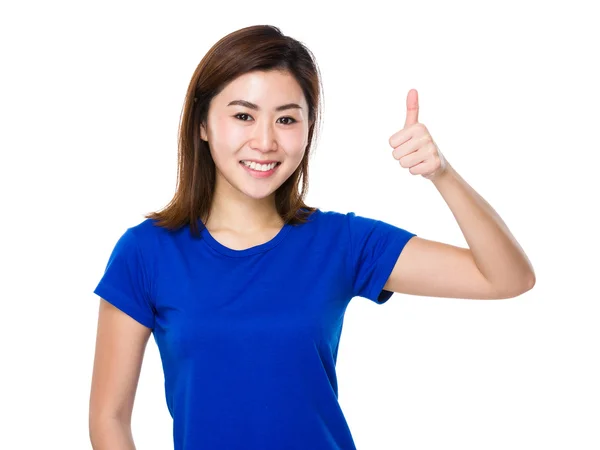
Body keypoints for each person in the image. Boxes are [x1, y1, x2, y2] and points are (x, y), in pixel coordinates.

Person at [89, 24, 536, 450]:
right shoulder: (147, 252)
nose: (265, 141)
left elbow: (506, 279)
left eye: (286, 120)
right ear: (203, 125)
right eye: (243, 115)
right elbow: (108, 418)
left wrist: (442, 174)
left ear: (307, 130)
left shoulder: (342, 242)